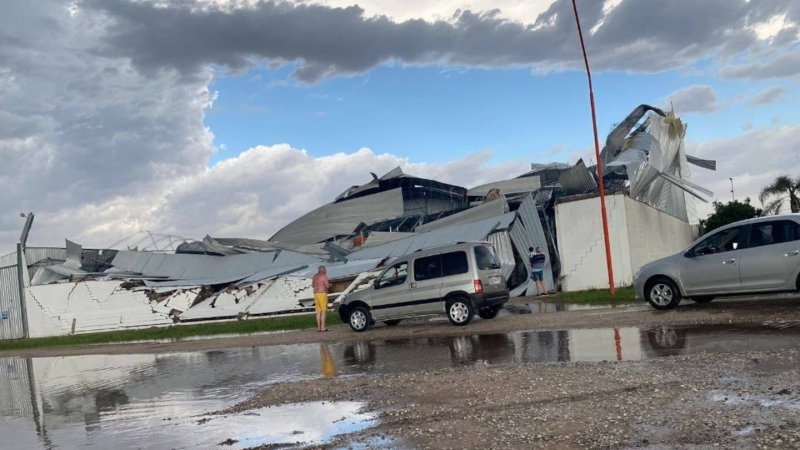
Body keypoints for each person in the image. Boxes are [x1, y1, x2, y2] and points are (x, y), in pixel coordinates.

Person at [312, 265, 331, 332]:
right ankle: (323, 327)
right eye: (325, 269)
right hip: (322, 294)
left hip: (316, 294)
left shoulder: (314, 276)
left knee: (318, 311)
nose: (326, 271)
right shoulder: (324, 276)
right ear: (322, 270)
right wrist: (330, 285)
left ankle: (318, 327)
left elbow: (313, 285)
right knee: (323, 311)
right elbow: (327, 285)